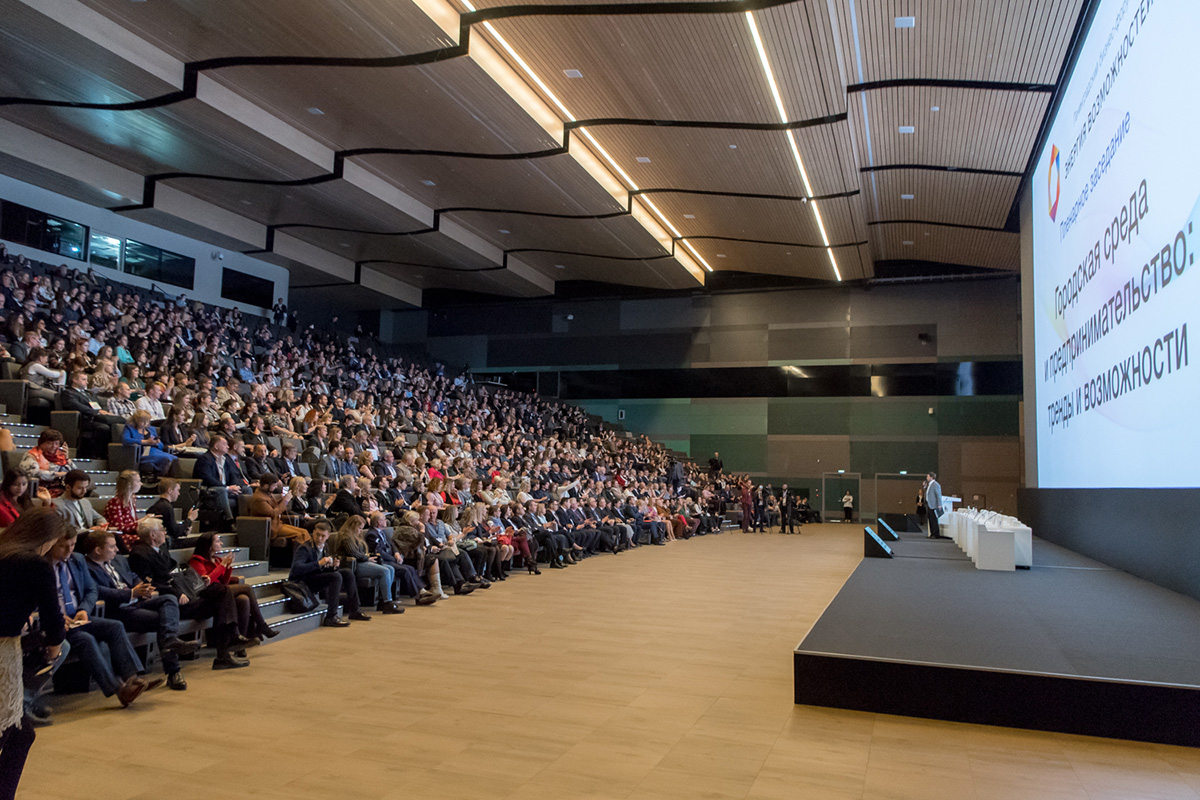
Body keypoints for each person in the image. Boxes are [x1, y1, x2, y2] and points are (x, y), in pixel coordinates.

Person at [46, 527, 160, 708]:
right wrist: (57, 616)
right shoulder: (42, 565)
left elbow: (92, 590)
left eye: (73, 545)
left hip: (78, 616)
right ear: (51, 544)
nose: (69, 550)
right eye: (64, 546)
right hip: (54, 621)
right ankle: (118, 690)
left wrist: (84, 609)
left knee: (114, 626)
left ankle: (132, 679)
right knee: (86, 639)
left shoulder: (76, 560)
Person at [0, 508, 68, 799]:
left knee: (19, 733)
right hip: (2, 649)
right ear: (48, 538)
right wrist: (55, 643)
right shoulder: (34, 563)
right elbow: (53, 615)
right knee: (18, 733)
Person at [127, 518, 249, 670]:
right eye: (162, 529)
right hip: (171, 603)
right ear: (153, 535)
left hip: (185, 593)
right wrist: (176, 593)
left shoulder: (161, 550)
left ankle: (226, 650)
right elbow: (148, 584)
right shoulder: (140, 554)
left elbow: (173, 571)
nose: (165, 532)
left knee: (223, 593)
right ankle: (228, 644)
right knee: (223, 594)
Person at [83, 530, 197, 691]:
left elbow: (133, 576)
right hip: (118, 610)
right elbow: (99, 591)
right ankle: (173, 671)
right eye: (112, 547)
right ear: (98, 550)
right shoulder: (86, 568)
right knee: (164, 622)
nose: (117, 550)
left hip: (137, 602)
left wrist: (142, 587)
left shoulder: (119, 561)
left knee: (169, 599)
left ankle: (170, 642)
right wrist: (130, 593)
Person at [188, 532, 278, 645]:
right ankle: (261, 625)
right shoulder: (197, 560)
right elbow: (206, 582)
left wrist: (228, 567)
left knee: (243, 599)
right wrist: (222, 566)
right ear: (209, 545)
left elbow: (224, 582)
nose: (221, 543)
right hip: (207, 595)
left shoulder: (217, 560)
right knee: (247, 588)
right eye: (217, 541)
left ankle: (241, 642)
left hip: (221, 593)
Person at [288, 520, 371, 627]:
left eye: (323, 536)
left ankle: (355, 610)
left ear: (327, 537)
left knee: (347, 573)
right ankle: (331, 616)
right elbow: (297, 569)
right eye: (317, 535)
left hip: (314, 577)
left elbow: (321, 570)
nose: (319, 538)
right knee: (335, 577)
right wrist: (318, 563)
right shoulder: (304, 548)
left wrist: (333, 567)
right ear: (313, 533)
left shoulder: (325, 546)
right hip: (302, 582)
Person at [333, 515, 403, 614]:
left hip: (363, 561)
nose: (361, 531)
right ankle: (388, 602)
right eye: (360, 528)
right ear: (352, 526)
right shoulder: (346, 537)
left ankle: (383, 600)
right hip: (354, 564)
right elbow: (354, 553)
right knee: (385, 570)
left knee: (390, 568)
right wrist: (367, 558)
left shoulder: (357, 536)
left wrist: (368, 557)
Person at [247, 474, 310, 544]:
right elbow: (273, 513)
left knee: (304, 532)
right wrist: (285, 501)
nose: (276, 487)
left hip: (277, 524)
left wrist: (282, 499)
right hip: (269, 527)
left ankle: (308, 554)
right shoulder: (259, 499)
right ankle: (301, 554)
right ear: (266, 486)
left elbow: (272, 506)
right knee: (301, 535)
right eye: (274, 485)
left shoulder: (267, 494)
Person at [193, 435, 242, 523]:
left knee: (246, 490)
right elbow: (207, 478)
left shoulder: (225, 459)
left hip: (225, 488)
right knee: (222, 490)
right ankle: (229, 520)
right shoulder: (205, 459)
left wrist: (234, 486)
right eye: (225, 444)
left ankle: (244, 520)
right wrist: (227, 488)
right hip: (210, 490)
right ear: (216, 446)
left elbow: (233, 475)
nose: (228, 446)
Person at [18, 430, 73, 498]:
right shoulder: (31, 455)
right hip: (41, 489)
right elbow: (34, 473)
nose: (54, 446)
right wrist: (56, 474)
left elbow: (74, 473)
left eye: (56, 443)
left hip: (61, 488)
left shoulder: (60, 456)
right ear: (41, 443)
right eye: (49, 443)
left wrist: (67, 459)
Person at [122, 410, 177, 477]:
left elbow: (161, 446)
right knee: (167, 458)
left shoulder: (151, 429)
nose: (145, 423)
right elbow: (126, 440)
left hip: (155, 450)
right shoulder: (129, 428)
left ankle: (166, 479)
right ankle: (160, 477)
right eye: (142, 421)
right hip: (141, 452)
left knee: (175, 459)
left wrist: (157, 443)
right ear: (136, 420)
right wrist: (145, 442)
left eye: (147, 421)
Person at [145, 478, 199, 544]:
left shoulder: (158, 505)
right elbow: (175, 531)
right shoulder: (166, 507)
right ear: (170, 490)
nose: (178, 494)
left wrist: (184, 531)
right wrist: (190, 518)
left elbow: (171, 528)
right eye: (177, 490)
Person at [54, 470, 108, 536]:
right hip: (74, 539)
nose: (84, 491)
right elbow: (62, 531)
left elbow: (99, 518)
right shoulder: (58, 504)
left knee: (115, 538)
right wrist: (89, 531)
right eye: (80, 488)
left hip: (90, 537)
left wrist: (101, 525)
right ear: (68, 487)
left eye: (86, 487)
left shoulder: (85, 502)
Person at [103, 470, 145, 552]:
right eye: (138, 481)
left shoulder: (132, 499)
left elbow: (133, 521)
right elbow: (118, 528)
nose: (141, 483)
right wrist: (140, 522)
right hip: (120, 536)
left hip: (131, 533)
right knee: (145, 540)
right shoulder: (116, 502)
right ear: (129, 484)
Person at [925, 472, 946, 539]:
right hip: (929, 504)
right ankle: (932, 533)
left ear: (931, 477)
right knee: (930, 519)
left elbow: (938, 495)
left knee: (934, 520)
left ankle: (935, 534)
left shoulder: (935, 485)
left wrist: (939, 504)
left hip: (933, 505)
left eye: (928, 476)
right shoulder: (929, 485)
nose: (927, 478)